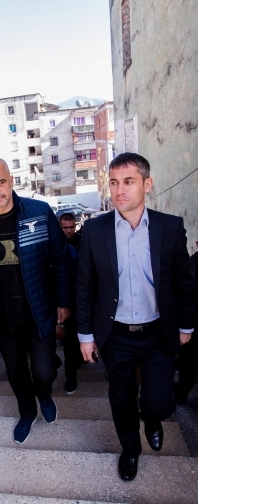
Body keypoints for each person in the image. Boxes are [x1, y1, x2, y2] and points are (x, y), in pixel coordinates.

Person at [76, 153, 195, 481]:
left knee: (159, 402)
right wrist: (85, 335)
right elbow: (84, 285)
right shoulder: (95, 230)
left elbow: (183, 282)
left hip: (158, 331)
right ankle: (130, 449)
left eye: (128, 182)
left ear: (147, 184)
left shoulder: (169, 227)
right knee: (121, 398)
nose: (119, 190)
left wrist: (186, 325)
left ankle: (153, 419)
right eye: (114, 182)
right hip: (115, 334)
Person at [0, 157, 72, 444]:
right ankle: (27, 412)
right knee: (16, 371)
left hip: (38, 310)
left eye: (1, 182)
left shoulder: (39, 212)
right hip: (1, 316)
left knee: (44, 372)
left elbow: (61, 259)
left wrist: (63, 300)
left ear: (11, 181)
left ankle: (44, 396)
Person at [56, 211, 82, 394]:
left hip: (80, 299)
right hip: (62, 300)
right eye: (65, 227)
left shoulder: (82, 242)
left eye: (71, 227)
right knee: (69, 344)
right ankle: (70, 377)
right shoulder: (55, 245)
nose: (68, 231)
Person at [175, 242, 198, 405]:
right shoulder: (190, 264)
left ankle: (181, 393)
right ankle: (182, 392)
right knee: (188, 361)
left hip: (192, 322)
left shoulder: (191, 263)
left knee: (188, 361)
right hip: (192, 323)